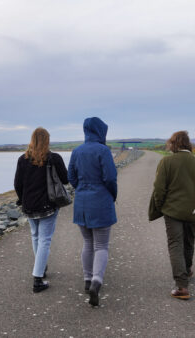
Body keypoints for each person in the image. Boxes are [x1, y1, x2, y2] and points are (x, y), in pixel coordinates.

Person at [149, 131, 195, 300]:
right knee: (189, 241)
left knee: (175, 244)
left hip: (172, 211)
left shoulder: (167, 162)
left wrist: (161, 206)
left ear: (173, 144)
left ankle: (182, 286)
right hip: (194, 210)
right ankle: (187, 269)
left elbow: (159, 189)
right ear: (188, 144)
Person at [68, 117, 117, 307]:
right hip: (101, 200)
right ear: (100, 131)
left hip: (81, 202)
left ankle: (87, 280)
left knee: (88, 242)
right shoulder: (103, 151)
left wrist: (81, 188)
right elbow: (110, 177)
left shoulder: (77, 151)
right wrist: (111, 194)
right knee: (101, 245)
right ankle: (96, 280)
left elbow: (70, 176)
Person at [14, 127, 69, 293]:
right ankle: (38, 279)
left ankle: (41, 267)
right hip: (48, 205)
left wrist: (22, 199)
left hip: (29, 205)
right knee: (45, 238)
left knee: (35, 236)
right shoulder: (54, 158)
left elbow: (18, 184)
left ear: (32, 139)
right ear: (47, 140)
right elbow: (66, 179)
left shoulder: (22, 159)